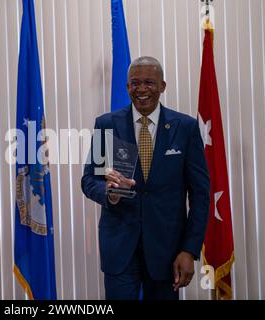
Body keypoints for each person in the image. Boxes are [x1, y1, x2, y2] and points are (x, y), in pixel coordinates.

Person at [81, 56, 210, 300]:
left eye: (149, 82)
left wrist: (189, 250)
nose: (141, 89)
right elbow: (89, 180)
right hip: (119, 249)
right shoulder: (107, 124)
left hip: (168, 251)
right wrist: (109, 193)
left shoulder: (185, 128)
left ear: (162, 86)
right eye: (135, 83)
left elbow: (201, 195)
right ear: (127, 87)